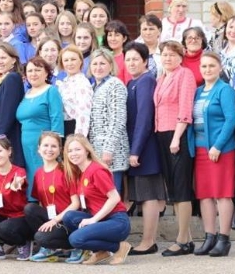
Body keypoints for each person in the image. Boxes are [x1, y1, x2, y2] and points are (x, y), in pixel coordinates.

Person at [190, 52, 235, 257]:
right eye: (204, 66)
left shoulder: (224, 90)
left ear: (220, 68)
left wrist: (218, 146)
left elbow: (231, 119)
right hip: (200, 150)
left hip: (220, 150)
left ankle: (223, 239)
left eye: (211, 66)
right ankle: (209, 237)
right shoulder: (198, 91)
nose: (207, 70)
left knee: (222, 194)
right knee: (205, 195)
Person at [154, 40, 197, 256]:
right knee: (173, 189)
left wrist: (177, 137)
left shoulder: (185, 75)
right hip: (162, 134)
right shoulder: (162, 77)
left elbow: (185, 108)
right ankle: (186, 239)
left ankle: (181, 240)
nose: (168, 58)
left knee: (181, 188)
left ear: (181, 57)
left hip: (177, 134)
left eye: (172, 54)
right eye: (164, 54)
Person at [122, 42, 166, 256]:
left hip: (145, 148)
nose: (131, 63)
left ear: (145, 61)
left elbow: (144, 117)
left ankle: (149, 242)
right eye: (128, 59)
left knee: (149, 196)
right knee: (142, 195)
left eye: (135, 59)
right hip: (136, 146)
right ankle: (147, 240)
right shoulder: (132, 82)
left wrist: (136, 150)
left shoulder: (146, 81)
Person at [62, 134, 131, 265]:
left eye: (77, 149)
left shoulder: (96, 170)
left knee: (76, 239)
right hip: (101, 219)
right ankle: (100, 251)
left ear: (87, 151)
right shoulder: (81, 172)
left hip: (117, 221)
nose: (73, 154)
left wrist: (93, 219)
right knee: (69, 217)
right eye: (70, 151)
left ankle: (118, 247)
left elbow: (115, 197)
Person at [24, 132, 79, 262]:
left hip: (68, 221)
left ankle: (76, 246)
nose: (49, 149)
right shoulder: (38, 173)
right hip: (51, 218)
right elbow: (41, 203)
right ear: (39, 149)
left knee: (41, 237)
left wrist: (55, 220)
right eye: (46, 145)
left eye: (54, 146)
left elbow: (76, 203)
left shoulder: (66, 170)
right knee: (30, 208)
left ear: (60, 150)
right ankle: (49, 248)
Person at [17, 57, 64, 197]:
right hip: (26, 146)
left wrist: (53, 145)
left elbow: (57, 118)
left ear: (46, 73)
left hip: (44, 147)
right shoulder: (26, 94)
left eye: (37, 70)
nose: (33, 74)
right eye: (30, 71)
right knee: (32, 179)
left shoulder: (51, 91)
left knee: (46, 180)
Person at [87, 49, 129, 195]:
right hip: (96, 151)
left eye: (102, 63)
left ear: (110, 65)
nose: (98, 67)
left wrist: (108, 150)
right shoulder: (93, 87)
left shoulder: (115, 84)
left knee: (112, 194)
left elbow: (118, 119)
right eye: (95, 64)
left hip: (111, 153)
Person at [0, 42, 26, 167]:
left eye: (3, 58)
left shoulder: (12, 78)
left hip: (7, 139)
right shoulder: (4, 78)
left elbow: (7, 113)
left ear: (13, 60)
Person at [57, 46, 93, 138]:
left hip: (75, 128)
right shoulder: (64, 82)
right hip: (63, 128)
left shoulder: (82, 83)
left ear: (80, 61)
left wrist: (79, 138)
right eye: (66, 60)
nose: (70, 63)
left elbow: (83, 113)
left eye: (73, 59)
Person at [103, 20, 132, 85]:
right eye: (110, 35)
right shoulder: (106, 57)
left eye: (117, 35)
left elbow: (128, 83)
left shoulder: (127, 57)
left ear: (124, 38)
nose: (113, 39)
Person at [135, 14, 163, 78]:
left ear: (159, 31)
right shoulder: (134, 49)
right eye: (145, 29)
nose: (148, 33)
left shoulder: (165, 50)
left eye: (151, 29)